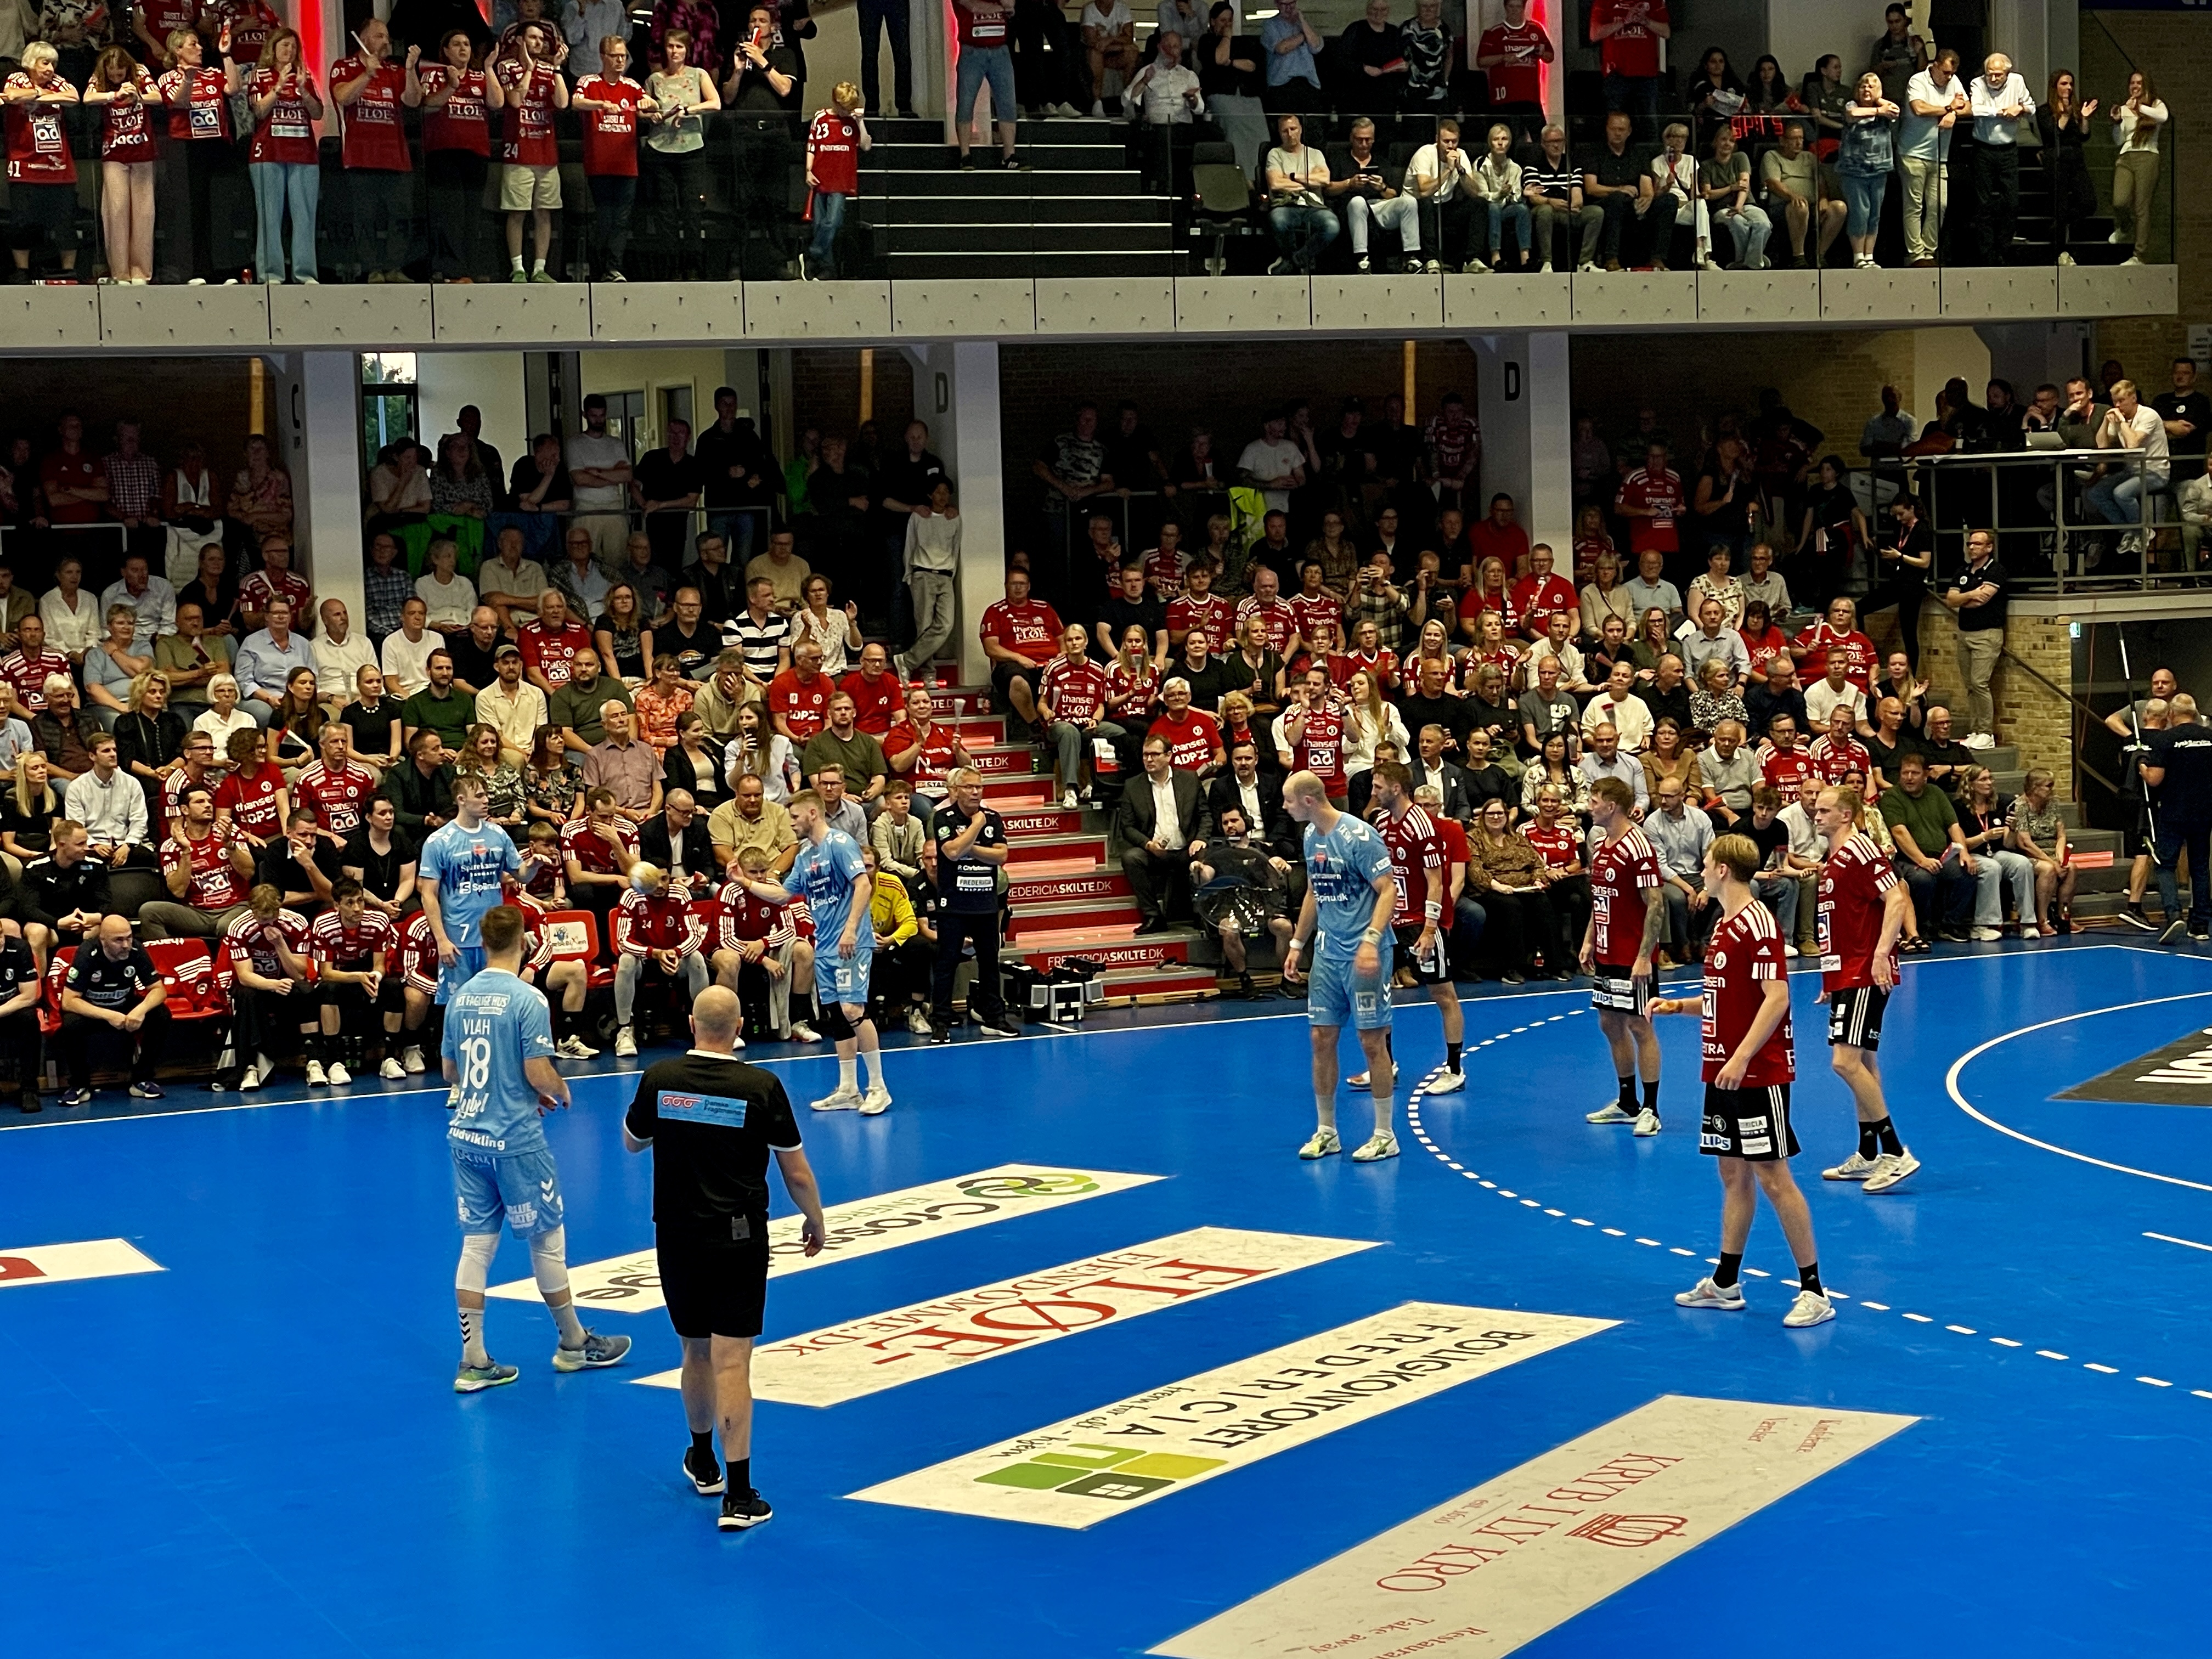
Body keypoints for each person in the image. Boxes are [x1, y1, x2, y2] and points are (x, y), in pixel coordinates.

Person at [620, 985, 826, 1530]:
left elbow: (633, 1141)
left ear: (692, 1025)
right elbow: (797, 1172)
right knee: (733, 1360)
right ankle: (739, 1496)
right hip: (738, 1240)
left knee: (695, 1351)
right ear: (738, 1029)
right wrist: (815, 1219)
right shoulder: (761, 1087)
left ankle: (703, 1459)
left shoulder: (660, 1079)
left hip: (677, 1238)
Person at [1649, 834, 1835, 1329]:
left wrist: (1743, 1056)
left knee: (1773, 1176)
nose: (1702, 869)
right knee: (1732, 1174)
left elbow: (1777, 997)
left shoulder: (1758, 923)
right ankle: (1726, 1282)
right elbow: (1725, 998)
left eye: (1707, 862)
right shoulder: (1724, 924)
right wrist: (1679, 1007)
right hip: (1723, 1071)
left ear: (1723, 870)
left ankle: (1814, 1290)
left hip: (1756, 1073)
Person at [445, 903, 632, 1393]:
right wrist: (559, 1091)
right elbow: (537, 1070)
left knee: (476, 1246)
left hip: (467, 1137)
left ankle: (473, 1360)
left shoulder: (460, 998)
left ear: (483, 942)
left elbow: (451, 1072)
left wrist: (513, 1091)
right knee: (547, 1240)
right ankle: (573, 1343)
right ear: (524, 941)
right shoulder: (527, 999)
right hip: (515, 1141)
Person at [728, 789, 888, 1113]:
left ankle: (878, 1088)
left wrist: (851, 929)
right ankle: (848, 1090)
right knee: (838, 1015)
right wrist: (744, 882)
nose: (791, 823)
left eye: (795, 817)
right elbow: (782, 896)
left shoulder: (840, 843)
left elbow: (863, 885)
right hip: (824, 945)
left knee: (854, 1010)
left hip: (850, 942)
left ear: (813, 813)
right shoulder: (804, 856)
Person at [1279, 769, 1398, 1164]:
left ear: (1308, 800)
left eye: (1289, 800)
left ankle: (1385, 1134)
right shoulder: (1311, 836)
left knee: (1371, 1041)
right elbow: (1315, 890)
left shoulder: (1360, 836)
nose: (1285, 807)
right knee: (1320, 1037)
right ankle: (1327, 1131)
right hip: (1328, 953)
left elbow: (1388, 890)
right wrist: (1298, 944)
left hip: (1365, 953)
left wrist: (1371, 941)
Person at [1368, 757, 1464, 1090]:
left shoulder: (1421, 825)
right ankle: (1386, 1064)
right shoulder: (1382, 822)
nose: (1374, 792)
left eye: (1378, 786)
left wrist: (1429, 930)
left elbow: (1436, 882)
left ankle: (1455, 1070)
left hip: (1420, 922)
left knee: (1443, 993)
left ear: (1396, 789)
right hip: (1389, 922)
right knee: (1379, 994)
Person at [1581, 775, 1663, 1135]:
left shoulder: (1638, 847)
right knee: (1609, 1023)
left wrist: (1645, 957)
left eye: (1594, 801)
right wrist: (1589, 940)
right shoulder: (1601, 844)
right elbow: (1600, 898)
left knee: (1640, 1025)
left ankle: (1651, 1109)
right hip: (1606, 950)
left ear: (1611, 806)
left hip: (1632, 956)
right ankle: (1627, 1102)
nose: (1589, 807)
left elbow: (1656, 904)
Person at [927, 766, 1017, 1041]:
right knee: (947, 964)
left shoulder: (994, 818)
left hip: (985, 904)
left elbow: (1001, 856)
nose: (975, 792)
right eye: (969, 787)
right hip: (954, 904)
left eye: (979, 787)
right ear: (955, 790)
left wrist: (970, 846)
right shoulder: (943, 817)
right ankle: (940, 1022)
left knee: (990, 964)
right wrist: (976, 826)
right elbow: (952, 852)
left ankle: (995, 1019)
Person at [418, 772, 525, 1002]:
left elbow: (522, 876)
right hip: (459, 941)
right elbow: (428, 895)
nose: (486, 800)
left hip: (495, 940)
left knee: (496, 1002)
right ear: (461, 800)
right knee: (458, 1004)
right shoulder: (439, 841)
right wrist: (442, 940)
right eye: (479, 796)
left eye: (486, 795)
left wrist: (534, 865)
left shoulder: (498, 834)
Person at [57, 915, 171, 1108]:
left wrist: (140, 1010)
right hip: (94, 1011)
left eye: (129, 938)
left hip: (125, 1007)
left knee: (161, 1015)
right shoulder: (87, 954)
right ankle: (80, 1085)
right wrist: (109, 1015)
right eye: (118, 940)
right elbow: (69, 1001)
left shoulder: (136, 950)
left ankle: (141, 1079)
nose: (126, 945)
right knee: (71, 1024)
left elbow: (158, 990)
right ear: (103, 940)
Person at [494, 20, 570, 284]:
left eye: (541, 39)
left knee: (544, 212)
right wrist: (528, 70)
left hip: (547, 153)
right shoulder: (507, 67)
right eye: (533, 38)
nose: (539, 43)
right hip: (518, 152)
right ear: (519, 41)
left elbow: (562, 103)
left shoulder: (549, 70)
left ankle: (539, 269)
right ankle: (518, 268)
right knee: (517, 212)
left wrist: (557, 68)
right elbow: (515, 100)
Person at [2140, 694, 2212, 945]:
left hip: (2174, 812)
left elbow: (2155, 780)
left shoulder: (2165, 739)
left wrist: (2142, 766)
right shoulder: (2210, 738)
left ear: (2171, 714)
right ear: (2195, 713)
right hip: (2205, 812)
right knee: (2200, 867)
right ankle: (2200, 924)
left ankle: (2173, 915)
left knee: (2165, 864)